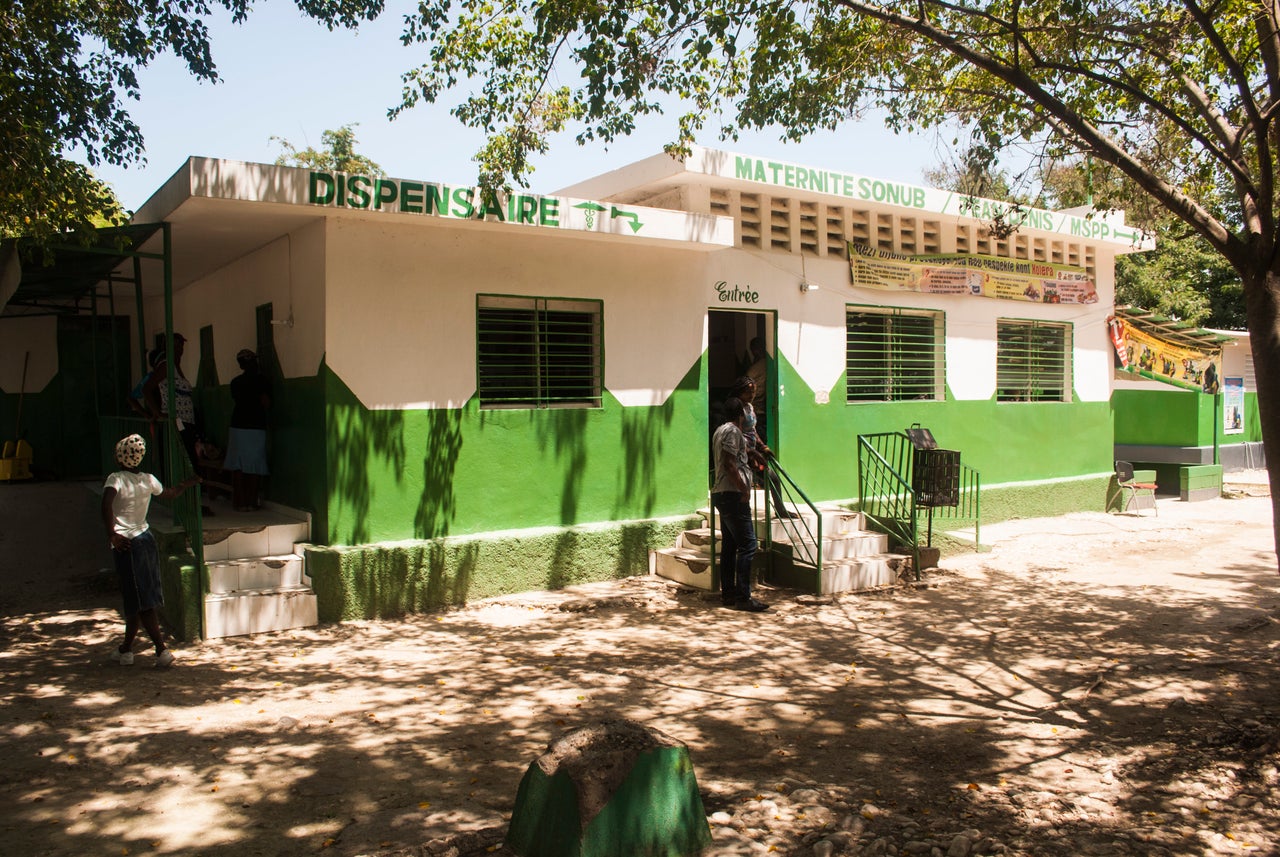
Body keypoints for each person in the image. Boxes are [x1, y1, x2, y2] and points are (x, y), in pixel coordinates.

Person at [102, 434, 201, 667]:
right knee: (136, 597)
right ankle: (126, 650)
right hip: (145, 539)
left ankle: (161, 650)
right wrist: (188, 483)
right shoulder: (148, 479)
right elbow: (170, 493)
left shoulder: (115, 479)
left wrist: (112, 535)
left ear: (119, 458)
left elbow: (106, 505)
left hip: (127, 543)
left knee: (141, 600)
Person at [711, 396, 768, 612]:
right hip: (732, 494)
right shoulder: (733, 432)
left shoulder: (721, 430)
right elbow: (728, 462)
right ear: (742, 415)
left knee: (730, 546)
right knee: (748, 545)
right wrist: (744, 489)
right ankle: (744, 597)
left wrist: (753, 454)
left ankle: (729, 594)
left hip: (722, 493)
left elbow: (736, 454)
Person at [730, 375, 797, 518]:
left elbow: (752, 430)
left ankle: (780, 509)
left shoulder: (749, 407)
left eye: (753, 392)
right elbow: (736, 432)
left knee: (772, 478)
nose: (751, 395)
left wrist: (762, 446)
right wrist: (750, 452)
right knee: (766, 478)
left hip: (753, 451)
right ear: (740, 391)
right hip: (743, 453)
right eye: (748, 392)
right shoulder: (735, 406)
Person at [142, 333, 202, 473]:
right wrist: (157, 412)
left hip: (186, 421)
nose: (180, 348)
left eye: (181, 344)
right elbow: (147, 389)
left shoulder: (176, 367)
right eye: (176, 345)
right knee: (183, 459)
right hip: (176, 421)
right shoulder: (166, 366)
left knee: (188, 457)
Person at [225, 348, 271, 512]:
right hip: (256, 426)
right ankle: (252, 501)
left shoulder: (235, 382)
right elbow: (266, 403)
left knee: (238, 466)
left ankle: (239, 502)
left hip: (238, 425)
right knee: (255, 465)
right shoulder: (261, 380)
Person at [745, 337, 770, 443]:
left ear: (755, 350)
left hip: (757, 410)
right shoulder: (768, 366)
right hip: (765, 411)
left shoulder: (753, 370)